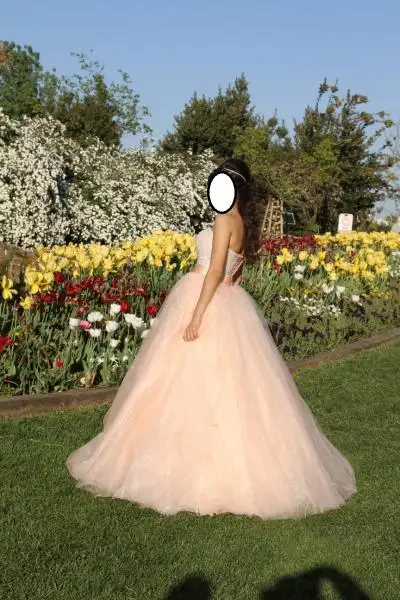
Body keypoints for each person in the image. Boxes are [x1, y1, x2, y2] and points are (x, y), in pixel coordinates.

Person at [66, 158, 356, 519]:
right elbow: (235, 272)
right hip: (230, 300)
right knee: (230, 388)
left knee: (187, 382)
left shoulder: (222, 220)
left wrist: (197, 314)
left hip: (206, 296)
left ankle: (194, 471)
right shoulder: (242, 223)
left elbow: (216, 270)